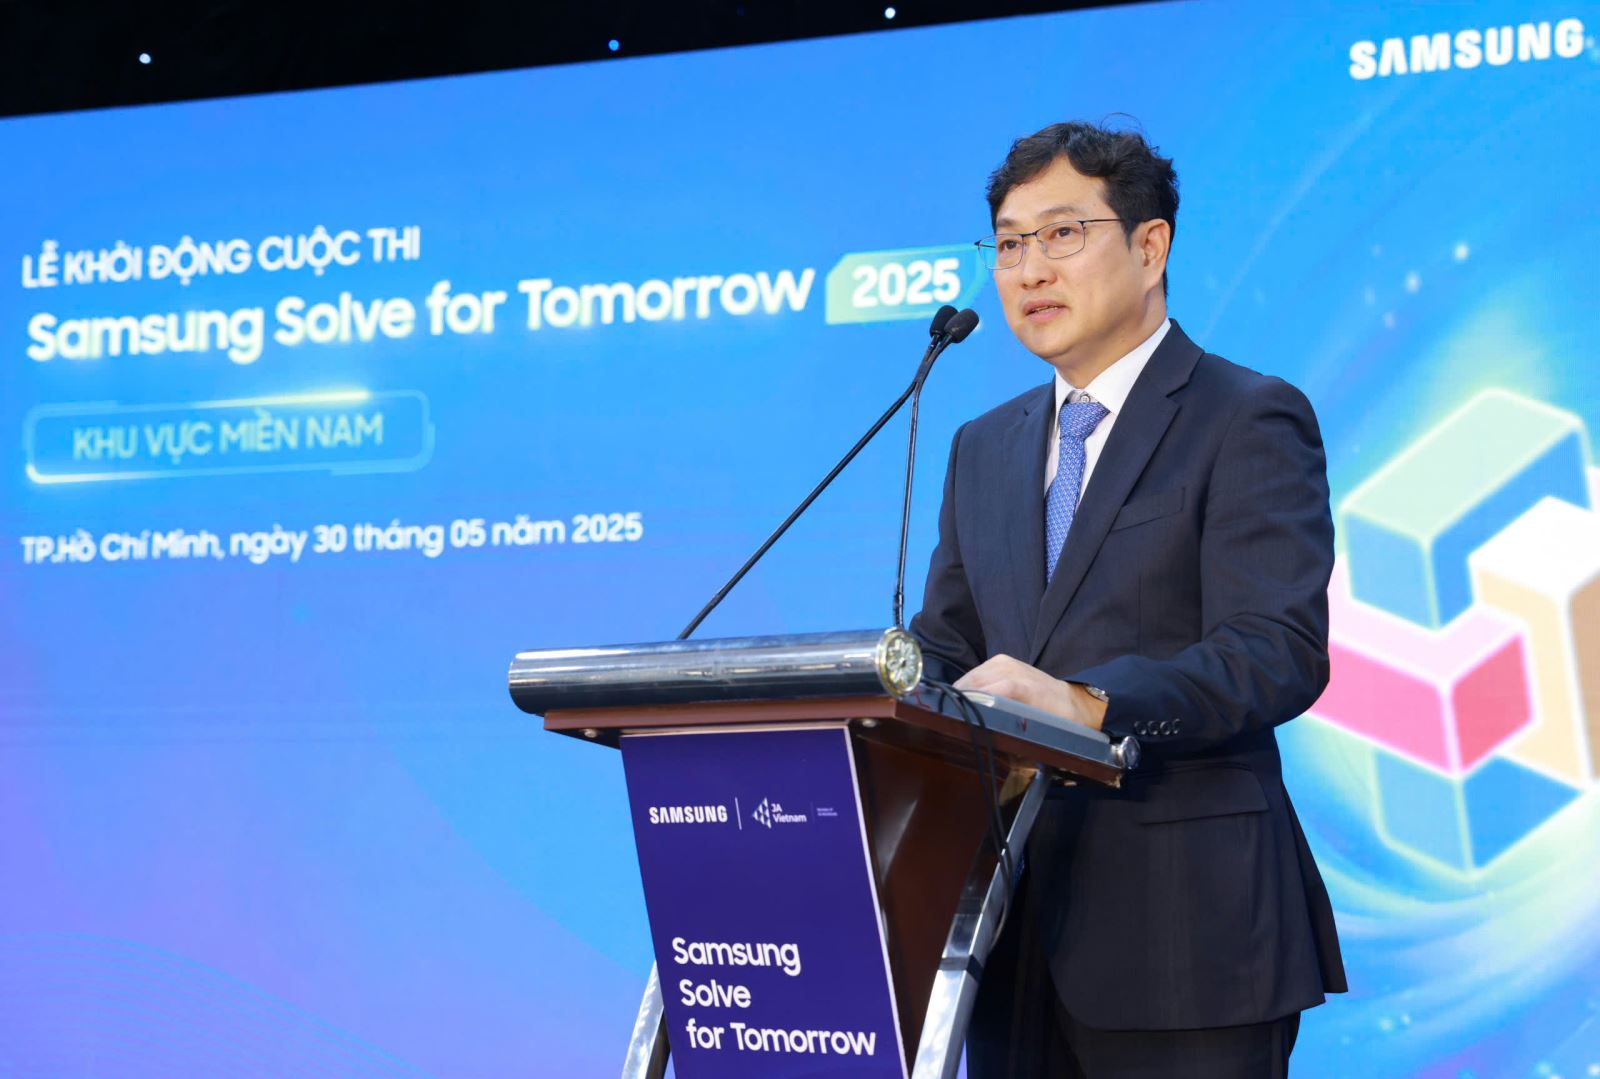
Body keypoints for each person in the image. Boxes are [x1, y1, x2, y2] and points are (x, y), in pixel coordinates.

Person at [909, 121, 1346, 1078]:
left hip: (1189, 932)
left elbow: (1275, 647)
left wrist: (1089, 703)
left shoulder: (1245, 415)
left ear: (1151, 247)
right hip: (1006, 932)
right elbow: (947, 646)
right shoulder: (983, 446)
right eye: (1009, 244)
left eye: (1062, 234)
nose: (1030, 269)